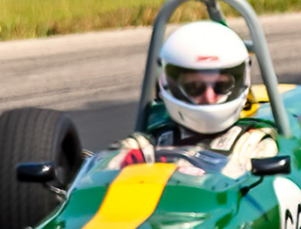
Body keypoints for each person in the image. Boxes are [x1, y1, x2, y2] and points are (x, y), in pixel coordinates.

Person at [100, 20, 278, 178]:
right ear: (170, 85)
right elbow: (100, 175)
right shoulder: (147, 144)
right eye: (194, 87)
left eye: (221, 86)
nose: (209, 97)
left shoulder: (252, 145)